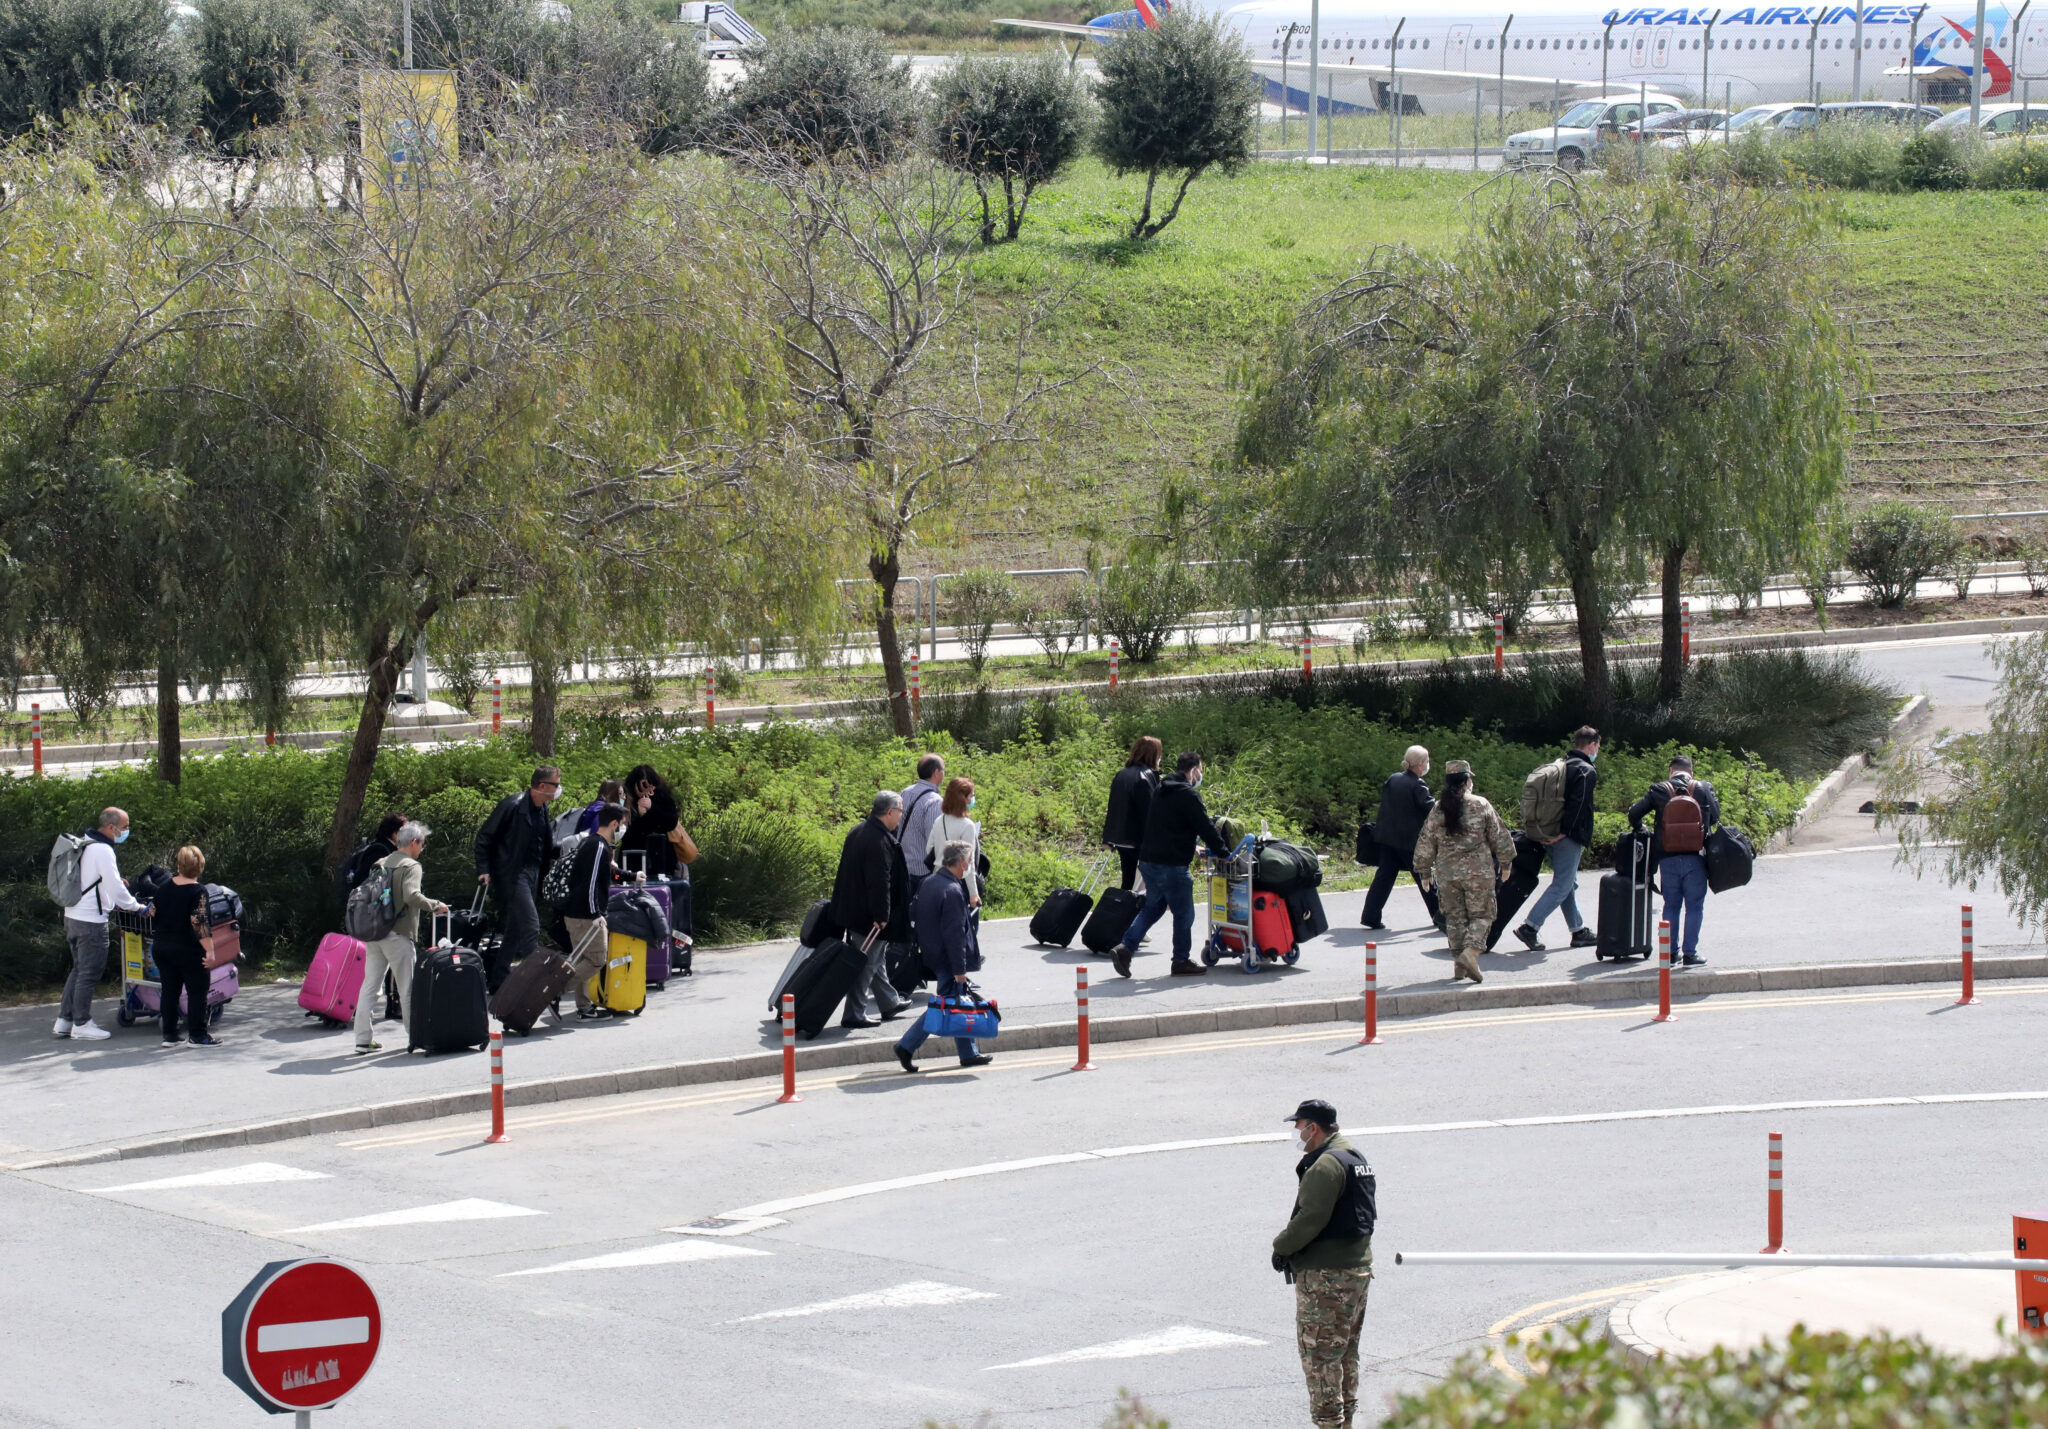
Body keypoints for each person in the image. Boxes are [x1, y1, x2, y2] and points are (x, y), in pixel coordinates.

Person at [1271, 1098, 1375, 1429]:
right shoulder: (1354, 1158)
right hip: (1356, 1271)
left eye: (1299, 1126)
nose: (1297, 1133)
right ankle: (1346, 1421)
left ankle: (1330, 1423)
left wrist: (1281, 1246)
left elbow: (1309, 1219)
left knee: (1319, 1358)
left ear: (1313, 1127)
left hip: (1327, 1278)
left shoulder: (1325, 1165)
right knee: (1345, 1353)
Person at [1108, 752, 1232, 979]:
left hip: (1148, 860)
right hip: (1171, 864)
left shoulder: (1161, 789)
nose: (1201, 775)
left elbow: (1169, 825)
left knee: (1153, 907)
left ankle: (1125, 948)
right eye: (1201, 770)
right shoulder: (1188, 794)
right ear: (1193, 770)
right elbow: (1205, 827)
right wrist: (1225, 853)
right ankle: (1181, 960)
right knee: (1184, 913)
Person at [1411, 761, 1516, 985]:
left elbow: (1426, 840)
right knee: (1483, 915)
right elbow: (1499, 836)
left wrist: (1424, 870)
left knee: (1455, 918)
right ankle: (1470, 954)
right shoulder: (1481, 804)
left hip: (1447, 874)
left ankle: (1459, 966)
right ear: (1468, 781)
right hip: (1479, 872)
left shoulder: (1439, 808)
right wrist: (1506, 863)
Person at [894, 841, 993, 1072]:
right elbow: (954, 935)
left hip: (932, 954)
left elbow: (914, 914)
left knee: (956, 1001)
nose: (969, 865)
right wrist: (960, 970)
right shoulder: (953, 890)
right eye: (968, 861)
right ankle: (906, 1045)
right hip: (947, 958)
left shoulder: (930, 882)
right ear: (959, 862)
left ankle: (969, 1053)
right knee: (943, 1005)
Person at [359, 822, 448, 1054]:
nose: (422, 849)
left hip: (374, 932)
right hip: (398, 934)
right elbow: (412, 895)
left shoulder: (380, 863)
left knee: (370, 986)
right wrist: (436, 905)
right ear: (413, 843)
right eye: (422, 844)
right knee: (407, 988)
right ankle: (415, 1036)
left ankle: (362, 1039)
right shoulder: (411, 866)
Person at [57, 806, 144, 1040]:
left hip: (72, 916)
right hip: (91, 922)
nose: (127, 831)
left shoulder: (84, 843)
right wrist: (136, 907)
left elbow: (94, 880)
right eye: (124, 827)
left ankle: (65, 1020)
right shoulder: (103, 850)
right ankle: (82, 1024)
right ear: (110, 827)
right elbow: (115, 888)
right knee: (89, 973)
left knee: (79, 969)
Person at [1512, 726, 1601, 953]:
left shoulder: (1562, 764)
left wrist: (1550, 832)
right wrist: (1565, 833)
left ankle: (1578, 931)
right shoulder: (1586, 770)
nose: (1597, 750)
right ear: (1591, 745)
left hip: (1546, 831)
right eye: (1598, 746)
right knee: (1562, 884)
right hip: (1565, 837)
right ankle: (1530, 927)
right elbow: (1578, 806)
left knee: (1567, 883)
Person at [474, 766, 562, 994]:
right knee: (531, 926)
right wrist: (483, 868)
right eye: (556, 784)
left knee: (515, 928)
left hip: (532, 873)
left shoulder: (542, 809)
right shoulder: (512, 805)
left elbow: (546, 845)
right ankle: (534, 982)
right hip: (514, 873)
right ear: (542, 786)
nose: (558, 789)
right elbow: (485, 836)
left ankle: (499, 979)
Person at [1629, 754, 1722, 967]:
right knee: (1695, 906)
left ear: (1671, 771)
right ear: (1691, 772)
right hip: (1695, 858)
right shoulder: (1703, 788)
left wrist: (1640, 828)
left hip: (1667, 859)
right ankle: (1690, 954)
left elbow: (1634, 813)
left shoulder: (1659, 789)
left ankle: (1670, 954)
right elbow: (1716, 817)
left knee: (1671, 905)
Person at [830, 790, 913, 1029]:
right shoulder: (879, 841)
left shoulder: (859, 831)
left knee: (877, 956)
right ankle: (854, 1013)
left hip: (853, 910)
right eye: (900, 811)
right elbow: (879, 881)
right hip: (869, 916)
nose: (900, 816)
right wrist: (882, 915)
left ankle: (889, 1002)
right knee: (866, 961)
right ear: (889, 812)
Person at [1361, 745, 1443, 932]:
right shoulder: (1418, 785)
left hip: (1387, 837)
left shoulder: (1393, 778)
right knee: (1425, 876)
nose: (1428, 764)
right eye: (1427, 761)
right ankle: (1441, 916)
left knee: (1384, 877)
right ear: (1421, 765)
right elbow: (1431, 809)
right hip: (1408, 841)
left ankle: (1370, 916)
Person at [148, 846, 220, 1047]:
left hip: (162, 947)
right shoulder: (198, 891)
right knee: (197, 992)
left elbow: (153, 912)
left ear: (178, 865)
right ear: (201, 866)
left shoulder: (163, 888)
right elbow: (199, 922)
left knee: (170, 991)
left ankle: (170, 1035)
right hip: (187, 949)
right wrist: (210, 950)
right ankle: (198, 1035)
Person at [560, 803, 627, 1017]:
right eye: (622, 825)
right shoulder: (598, 847)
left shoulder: (590, 843)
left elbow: (605, 874)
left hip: (575, 914)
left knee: (582, 960)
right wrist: (595, 914)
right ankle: (554, 990)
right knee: (596, 960)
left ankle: (584, 1007)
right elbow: (590, 884)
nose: (623, 830)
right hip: (586, 917)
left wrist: (632, 876)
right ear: (614, 824)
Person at [1102, 736, 1162, 892]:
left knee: (1127, 880)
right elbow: (1149, 811)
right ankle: (1140, 911)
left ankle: (1123, 909)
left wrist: (1107, 837)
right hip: (1138, 839)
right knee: (1147, 881)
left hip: (1120, 837)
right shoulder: (1146, 776)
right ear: (1154, 754)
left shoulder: (1121, 774)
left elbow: (1113, 807)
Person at [925, 776, 983, 915]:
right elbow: (968, 862)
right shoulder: (967, 825)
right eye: (971, 795)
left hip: (937, 878)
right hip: (958, 883)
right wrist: (973, 893)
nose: (972, 799)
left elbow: (928, 849)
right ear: (964, 799)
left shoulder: (940, 820)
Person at [897, 754, 947, 902]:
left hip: (902, 867)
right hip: (922, 872)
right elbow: (934, 844)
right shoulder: (934, 801)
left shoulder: (906, 792)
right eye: (943, 770)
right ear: (936, 773)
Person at [623, 764, 681, 880]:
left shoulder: (663, 797)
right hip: (634, 858)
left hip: (661, 856)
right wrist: (639, 816)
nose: (646, 790)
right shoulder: (627, 800)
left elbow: (671, 822)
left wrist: (652, 809)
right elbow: (625, 832)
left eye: (649, 786)